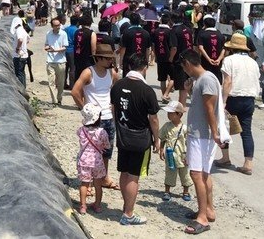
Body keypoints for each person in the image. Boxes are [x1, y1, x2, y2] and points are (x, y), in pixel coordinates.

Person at [180, 49, 229, 235]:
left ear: (187, 64)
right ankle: (208, 209)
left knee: (196, 174)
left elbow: (210, 108)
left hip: (201, 134)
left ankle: (201, 217)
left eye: (183, 67)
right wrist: (189, 89)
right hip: (202, 133)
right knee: (205, 174)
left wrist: (215, 133)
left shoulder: (206, 79)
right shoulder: (202, 79)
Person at [109, 53, 161, 226]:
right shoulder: (147, 90)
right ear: (145, 68)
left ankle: (126, 206)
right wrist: (157, 139)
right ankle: (129, 214)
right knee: (134, 176)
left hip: (123, 135)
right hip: (140, 138)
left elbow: (114, 109)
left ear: (129, 66)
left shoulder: (117, 86)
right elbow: (153, 119)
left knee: (124, 172)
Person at [72, 48, 121, 194]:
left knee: (106, 151)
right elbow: (75, 91)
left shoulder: (112, 73)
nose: (110, 61)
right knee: (90, 150)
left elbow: (116, 88)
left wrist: (113, 106)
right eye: (107, 58)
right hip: (94, 119)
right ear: (98, 59)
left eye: (111, 58)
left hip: (108, 117)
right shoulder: (88, 72)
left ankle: (104, 178)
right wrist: (85, 109)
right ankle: (88, 182)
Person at [217, 33, 260, 175]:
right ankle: (248, 163)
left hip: (233, 98)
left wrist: (223, 101)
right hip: (249, 99)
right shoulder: (253, 62)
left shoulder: (229, 60)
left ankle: (225, 158)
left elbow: (227, 82)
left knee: (224, 128)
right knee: (246, 131)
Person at [76, 103, 110, 215]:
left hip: (84, 161)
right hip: (97, 161)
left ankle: (82, 206)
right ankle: (98, 205)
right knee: (98, 184)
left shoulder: (81, 130)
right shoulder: (102, 132)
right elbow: (106, 145)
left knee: (84, 184)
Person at [159, 100, 192, 202]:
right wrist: (161, 150)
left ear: (179, 114)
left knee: (185, 174)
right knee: (169, 173)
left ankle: (186, 191)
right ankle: (167, 191)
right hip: (170, 155)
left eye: (171, 113)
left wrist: (189, 155)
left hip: (182, 155)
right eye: (168, 113)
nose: (168, 115)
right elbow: (162, 139)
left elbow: (189, 143)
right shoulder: (166, 126)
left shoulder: (185, 128)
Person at [244, 11, 264, 109]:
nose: (249, 20)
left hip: (263, 62)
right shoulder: (253, 31)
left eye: (251, 18)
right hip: (254, 60)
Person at [44, 17, 69, 105]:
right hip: (50, 60)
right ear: (52, 26)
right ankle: (54, 100)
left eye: (59, 25)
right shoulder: (48, 33)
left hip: (61, 61)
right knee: (51, 82)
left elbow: (65, 47)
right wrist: (47, 47)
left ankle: (59, 98)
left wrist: (56, 50)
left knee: (60, 82)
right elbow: (46, 44)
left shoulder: (63, 34)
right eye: (56, 25)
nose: (58, 27)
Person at [118, 13, 152, 78]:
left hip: (128, 61)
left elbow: (123, 48)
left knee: (128, 80)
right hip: (141, 61)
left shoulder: (126, 32)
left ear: (130, 21)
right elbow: (148, 49)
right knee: (140, 80)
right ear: (139, 21)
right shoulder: (146, 33)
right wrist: (147, 61)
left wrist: (121, 61)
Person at [153, 13, 176, 102]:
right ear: (169, 22)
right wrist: (171, 57)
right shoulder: (170, 32)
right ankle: (166, 95)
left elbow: (153, 45)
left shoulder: (156, 31)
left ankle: (164, 97)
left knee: (162, 79)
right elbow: (174, 47)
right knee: (173, 78)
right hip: (168, 58)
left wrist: (155, 55)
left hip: (160, 58)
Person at [196, 16, 225, 83]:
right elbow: (224, 48)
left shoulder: (202, 34)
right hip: (217, 63)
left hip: (205, 61)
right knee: (217, 81)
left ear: (205, 24)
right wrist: (219, 59)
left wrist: (209, 59)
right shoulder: (220, 34)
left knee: (206, 80)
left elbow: (200, 48)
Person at [12, 21, 29, 86]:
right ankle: (23, 89)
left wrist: (18, 48)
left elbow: (20, 40)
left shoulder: (18, 30)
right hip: (23, 55)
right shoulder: (23, 30)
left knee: (19, 73)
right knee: (22, 73)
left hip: (19, 56)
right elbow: (28, 39)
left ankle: (21, 89)